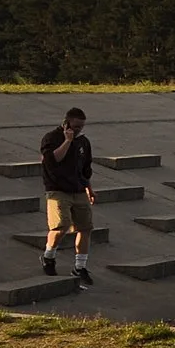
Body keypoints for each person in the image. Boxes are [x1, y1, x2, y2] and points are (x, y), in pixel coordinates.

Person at [40, 107, 96, 286]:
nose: (79, 129)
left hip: (78, 189)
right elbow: (52, 160)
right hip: (58, 189)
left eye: (81, 126)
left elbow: (85, 168)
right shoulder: (51, 138)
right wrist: (67, 141)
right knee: (61, 225)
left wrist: (89, 188)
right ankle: (49, 256)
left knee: (85, 228)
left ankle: (80, 266)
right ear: (66, 123)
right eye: (76, 126)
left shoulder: (84, 142)